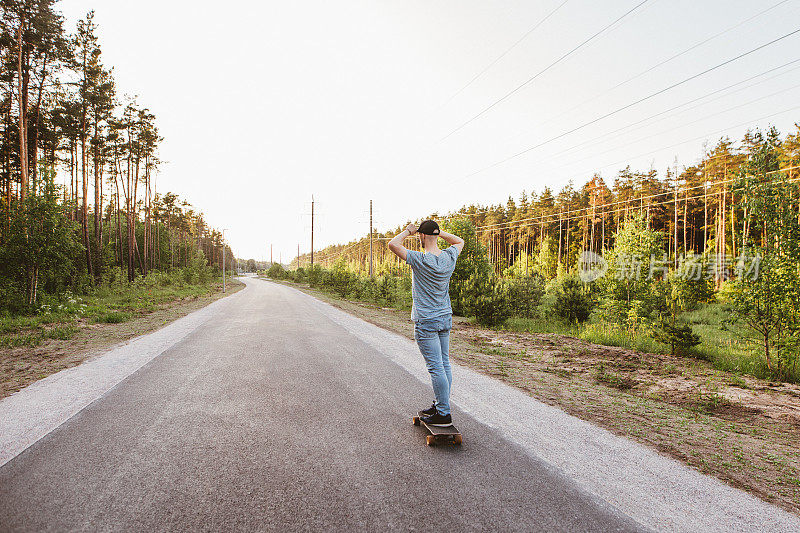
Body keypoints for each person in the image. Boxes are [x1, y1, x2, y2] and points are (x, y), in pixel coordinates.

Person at [388, 219, 464, 426]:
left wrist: (407, 231)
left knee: (436, 367)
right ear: (436, 236)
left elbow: (393, 244)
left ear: (421, 236)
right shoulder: (449, 256)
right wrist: (439, 233)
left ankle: (443, 413)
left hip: (426, 320)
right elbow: (460, 241)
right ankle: (441, 405)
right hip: (444, 317)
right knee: (444, 364)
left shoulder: (420, 259)